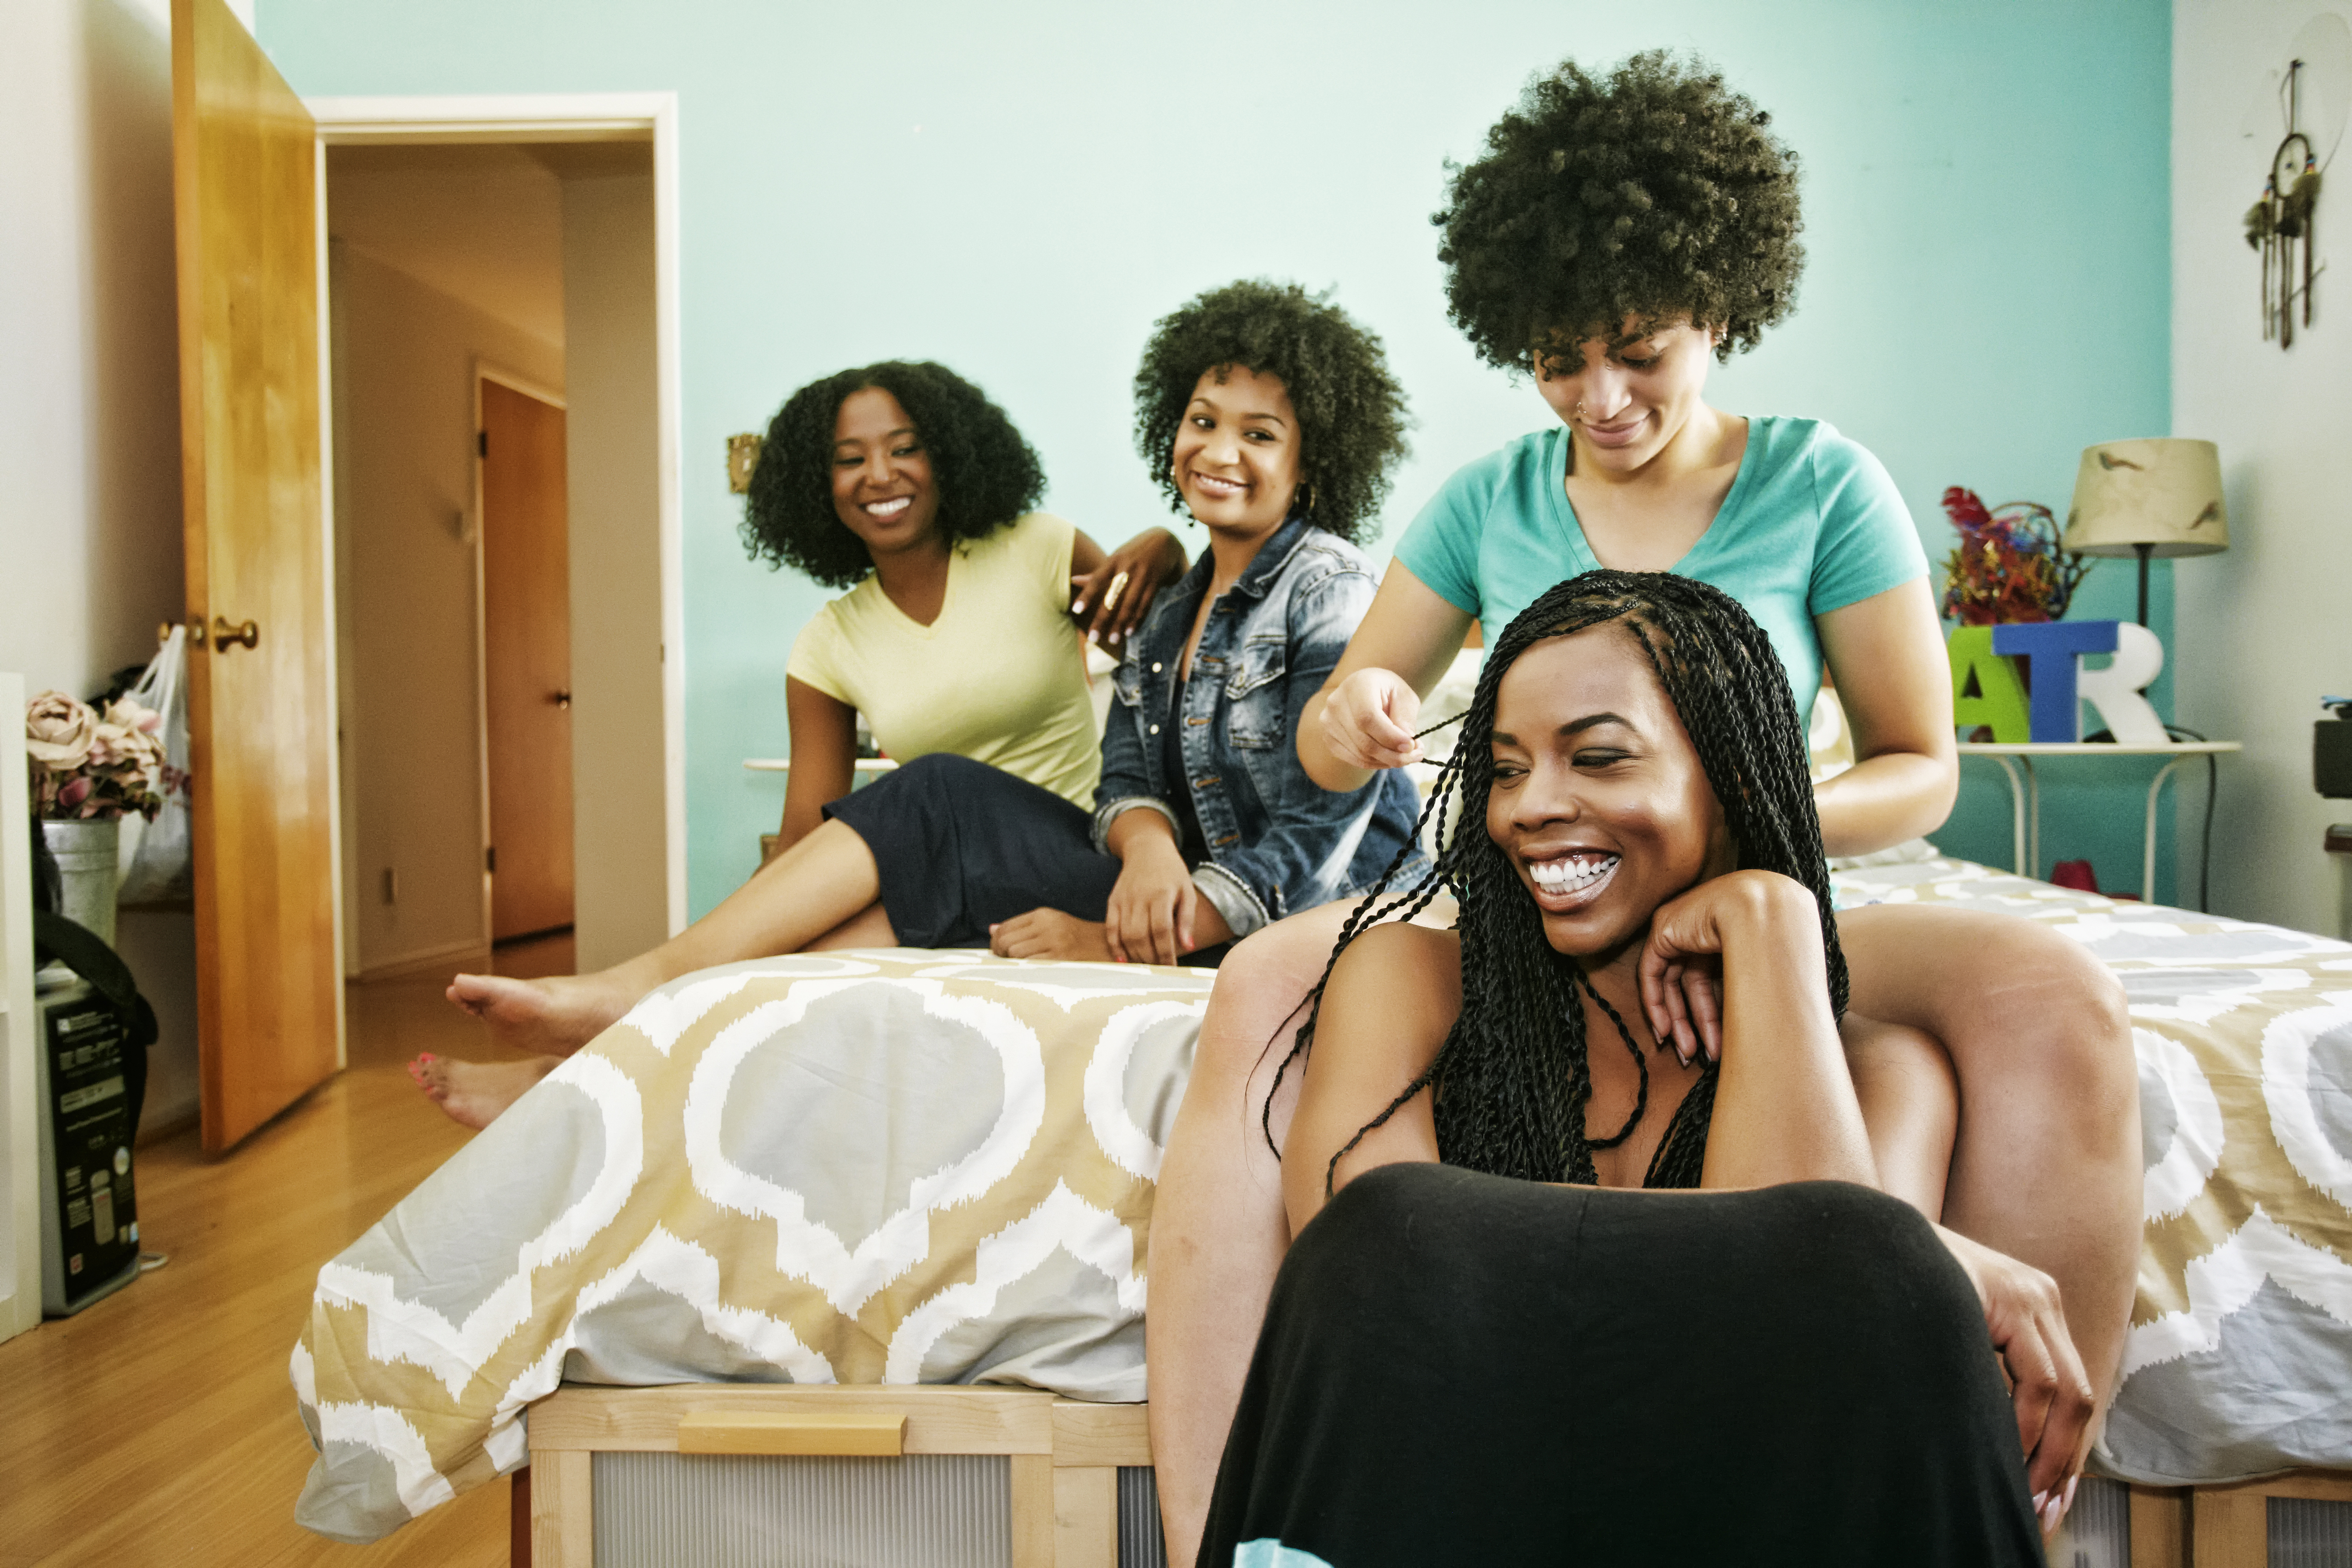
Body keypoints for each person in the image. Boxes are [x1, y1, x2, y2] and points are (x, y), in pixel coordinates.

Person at [1146, 53, 2138, 1563]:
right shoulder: (1485, 503)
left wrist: (1756, 848)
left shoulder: (1822, 484)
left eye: (1640, 353)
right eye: (1559, 359)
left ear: (1715, 314)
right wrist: (1351, 719)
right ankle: (1236, 1522)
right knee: (1279, 980)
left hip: (1792, 862)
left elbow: (1918, 762)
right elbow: (1353, 730)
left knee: (2053, 989)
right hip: (1559, 896)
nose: (1601, 398)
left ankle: (2023, 1511)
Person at [416, 283, 1428, 1123]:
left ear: (1313, 458)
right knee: (826, 933)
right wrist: (1150, 848)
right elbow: (1130, 772)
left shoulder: (1322, 587)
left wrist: (1117, 930)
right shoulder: (1164, 618)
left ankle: (628, 1005)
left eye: (1260, 434)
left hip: (1230, 910)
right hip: (1128, 875)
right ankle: (605, 1058)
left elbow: (1322, 835)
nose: (1219, 450)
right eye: (1202, 422)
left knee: (932, 795)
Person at [1199, 573, 2056, 1565]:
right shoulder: (1410, 981)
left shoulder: (1884, 1073)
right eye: (1506, 770)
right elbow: (1376, 1275)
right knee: (1390, 1227)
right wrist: (1932, 1252)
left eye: (1598, 758)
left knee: (1860, 1252)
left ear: (1735, 784)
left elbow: (1802, 1341)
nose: (1531, 809)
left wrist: (1768, 920)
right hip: (1444, 1516)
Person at [415, 360, 1187, 1125]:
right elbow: (801, 835)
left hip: (1076, 862)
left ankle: (633, 984)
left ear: (949, 454)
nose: (878, 474)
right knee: (767, 975)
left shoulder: (1039, 548)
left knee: (937, 782)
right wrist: (766, 923)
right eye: (848, 460)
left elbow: (1174, 641)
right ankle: (562, 1079)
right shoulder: (828, 642)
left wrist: (1164, 546)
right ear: (818, 488)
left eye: (904, 447)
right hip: (953, 887)